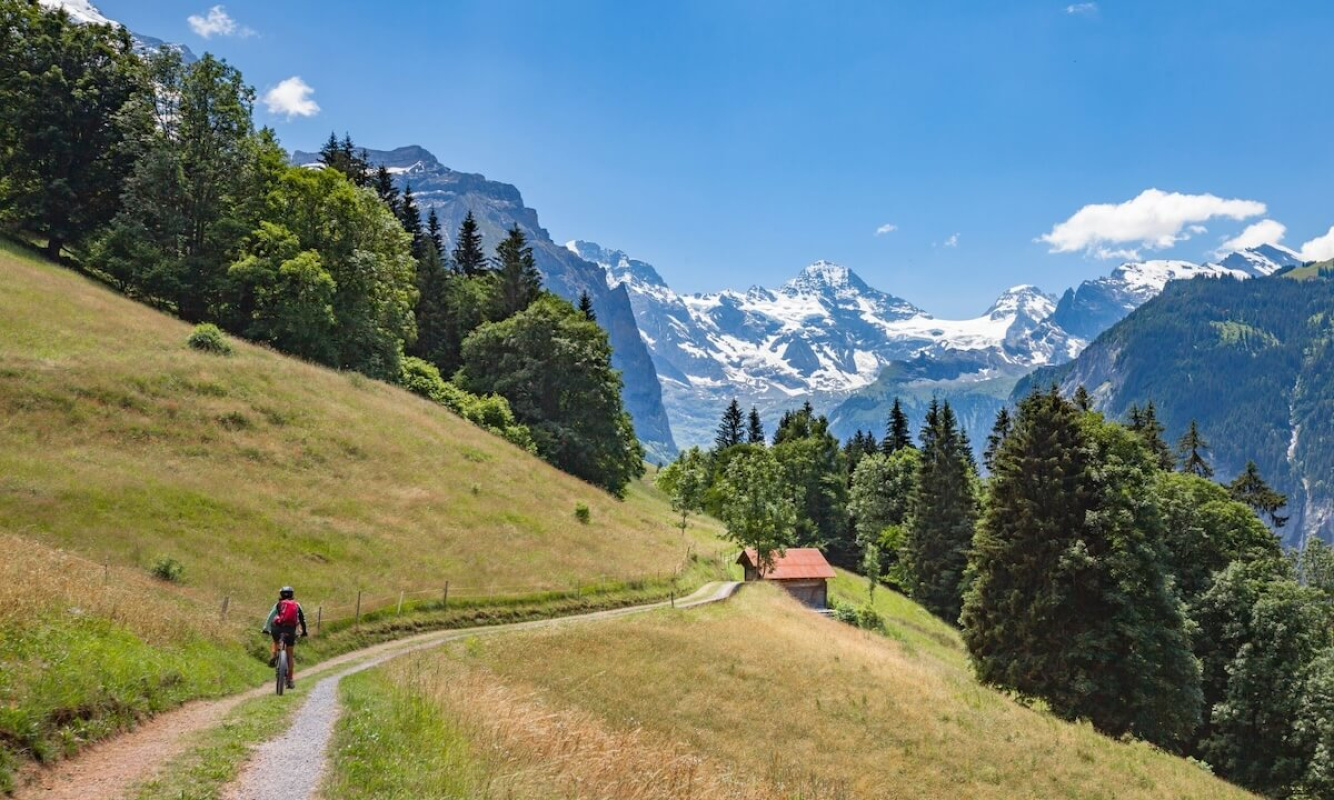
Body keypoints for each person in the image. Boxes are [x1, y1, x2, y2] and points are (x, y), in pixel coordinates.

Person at [262, 586, 308, 688]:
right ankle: (290, 680)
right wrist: (304, 631)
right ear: (292, 594)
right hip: (290, 630)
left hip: (277, 628)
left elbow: (270, 616)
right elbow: (302, 619)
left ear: (281, 594)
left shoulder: (278, 604)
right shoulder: (296, 604)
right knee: (290, 654)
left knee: (275, 641)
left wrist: (265, 628)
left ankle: (274, 656)